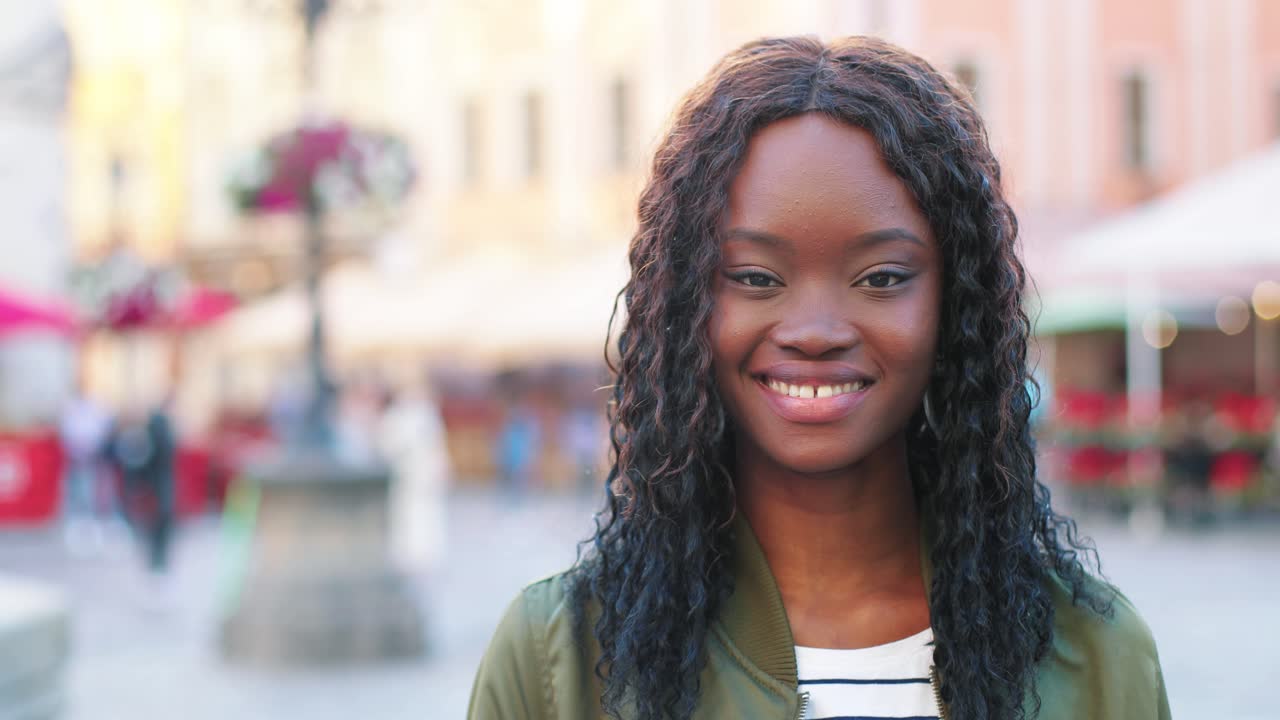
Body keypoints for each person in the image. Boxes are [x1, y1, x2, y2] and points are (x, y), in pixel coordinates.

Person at [469, 36, 1168, 720]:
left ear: (954, 304)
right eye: (754, 277)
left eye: (882, 278)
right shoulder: (557, 660)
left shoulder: (1096, 659)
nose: (814, 329)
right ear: (685, 306)